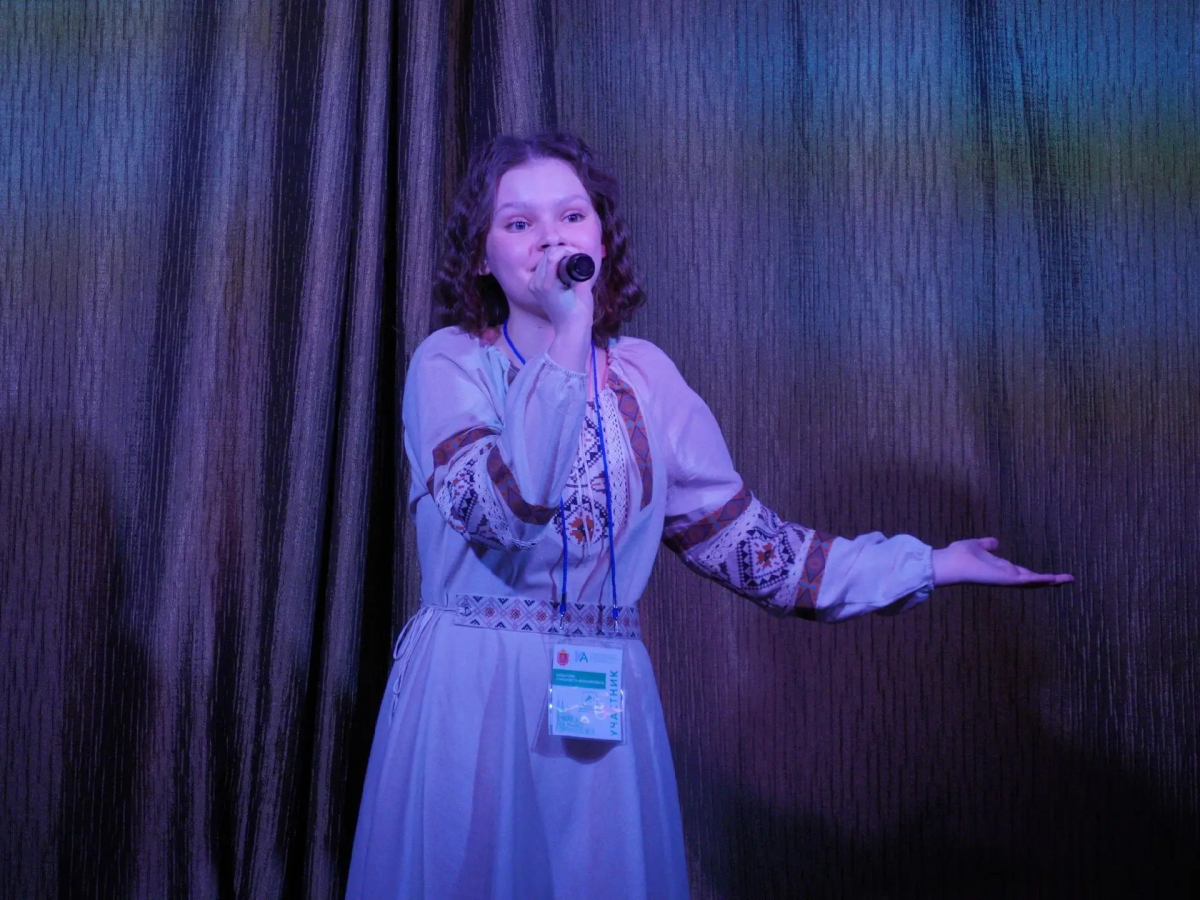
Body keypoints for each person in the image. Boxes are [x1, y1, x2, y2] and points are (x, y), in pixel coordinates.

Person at [345, 132, 1073, 900]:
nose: (551, 238)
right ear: (482, 255)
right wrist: (567, 338)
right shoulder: (451, 363)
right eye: (519, 222)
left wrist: (928, 562)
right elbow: (507, 510)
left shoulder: (645, 379)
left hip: (596, 687)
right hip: (476, 687)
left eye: (572, 216)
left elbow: (750, 546)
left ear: (601, 240)